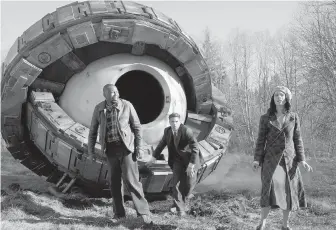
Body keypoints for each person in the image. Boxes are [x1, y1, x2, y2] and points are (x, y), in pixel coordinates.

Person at [87, 84, 152, 224]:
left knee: (132, 181)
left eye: (116, 91)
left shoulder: (126, 105)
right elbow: (92, 131)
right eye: (111, 92)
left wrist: (139, 147)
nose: (115, 94)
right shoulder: (99, 109)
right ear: (105, 95)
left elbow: (137, 127)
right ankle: (119, 214)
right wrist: (91, 151)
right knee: (114, 183)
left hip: (126, 149)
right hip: (110, 151)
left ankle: (143, 213)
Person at [252, 86, 313, 230]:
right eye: (275, 95)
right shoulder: (265, 118)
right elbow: (261, 140)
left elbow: (298, 139)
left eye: (281, 95)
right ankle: (262, 223)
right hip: (270, 160)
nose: (278, 97)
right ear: (273, 99)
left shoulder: (293, 117)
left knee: (288, 192)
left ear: (286, 98)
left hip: (289, 160)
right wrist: (257, 159)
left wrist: (302, 159)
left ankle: (285, 225)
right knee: (267, 191)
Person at [146, 112, 201, 216]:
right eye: (172, 121)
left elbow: (195, 148)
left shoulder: (186, 131)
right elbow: (161, 145)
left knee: (189, 184)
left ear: (179, 122)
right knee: (176, 184)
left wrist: (191, 165)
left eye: (176, 121)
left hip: (190, 160)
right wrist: (153, 158)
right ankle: (180, 210)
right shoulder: (167, 131)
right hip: (177, 161)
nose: (174, 123)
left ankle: (182, 202)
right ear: (169, 122)